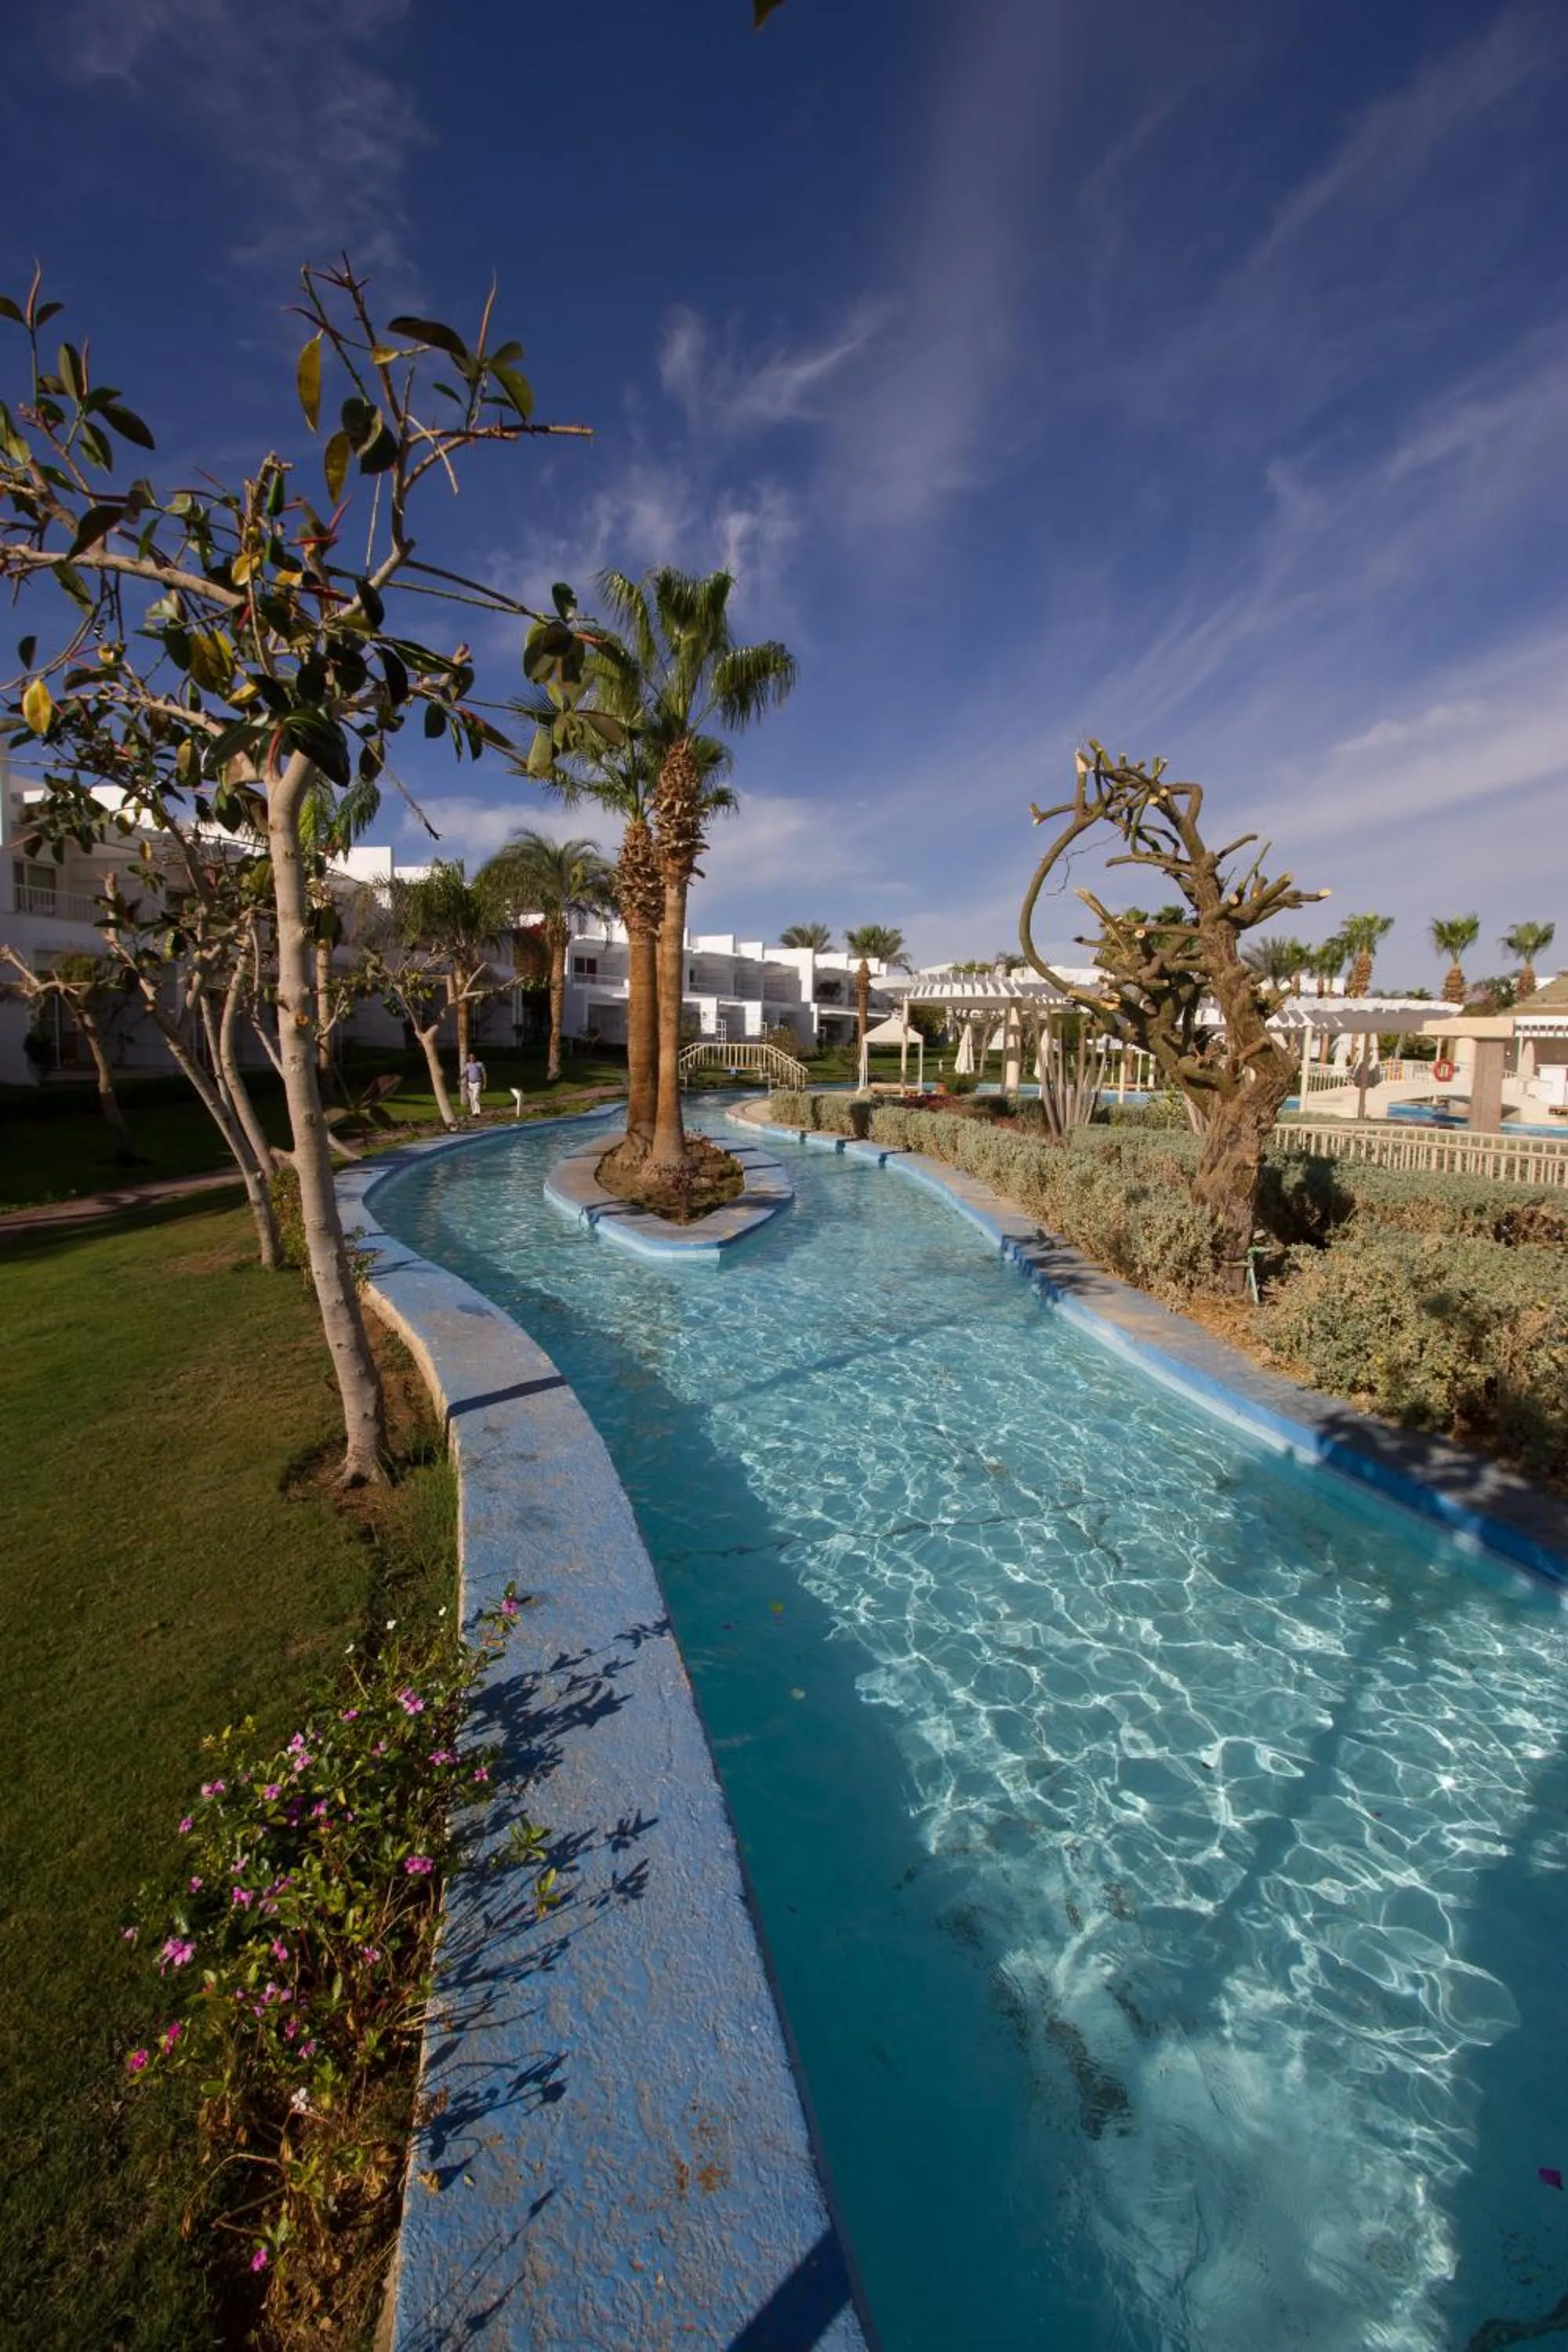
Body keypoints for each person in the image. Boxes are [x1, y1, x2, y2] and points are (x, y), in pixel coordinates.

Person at [460, 1052, 486, 1117]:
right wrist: (460, 1079)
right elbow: (466, 1073)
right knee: (471, 1099)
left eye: (473, 1057)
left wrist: (485, 1083)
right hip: (470, 1083)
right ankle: (473, 1112)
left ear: (475, 1057)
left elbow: (484, 1073)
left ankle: (477, 1112)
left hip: (477, 1083)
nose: (472, 1058)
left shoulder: (479, 1064)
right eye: (470, 1057)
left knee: (475, 1098)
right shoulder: (468, 1065)